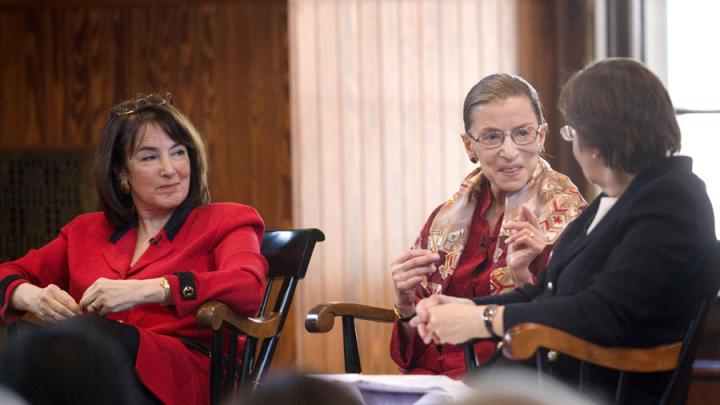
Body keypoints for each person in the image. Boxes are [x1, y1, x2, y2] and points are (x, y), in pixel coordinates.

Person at [411, 58, 718, 402]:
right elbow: (543, 292)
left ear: (597, 142)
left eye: (572, 132)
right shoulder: (616, 200)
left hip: (599, 391)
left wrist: (484, 319)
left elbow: (600, 314)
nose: (572, 145)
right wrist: (463, 306)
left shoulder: (673, 200)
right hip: (554, 382)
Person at [0, 93, 268, 405]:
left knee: (80, 340)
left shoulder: (227, 220)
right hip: (96, 375)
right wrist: (33, 296)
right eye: (149, 157)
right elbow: (8, 273)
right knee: (46, 351)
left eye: (178, 152)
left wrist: (150, 289)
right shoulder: (86, 231)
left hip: (184, 378)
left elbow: (248, 287)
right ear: (121, 173)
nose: (170, 169)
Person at [390, 74, 587, 378]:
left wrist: (531, 270)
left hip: (504, 386)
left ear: (542, 136)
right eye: (492, 137)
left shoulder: (572, 219)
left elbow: (568, 334)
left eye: (523, 133)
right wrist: (405, 304)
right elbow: (410, 353)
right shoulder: (444, 219)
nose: (509, 151)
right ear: (469, 146)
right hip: (428, 382)